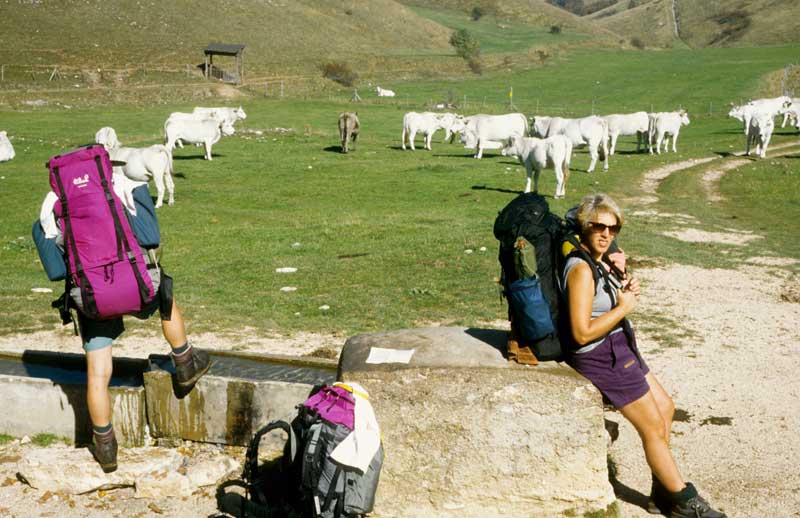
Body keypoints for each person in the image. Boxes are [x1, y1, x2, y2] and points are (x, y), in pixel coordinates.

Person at [561, 193, 725, 518]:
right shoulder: (580, 269)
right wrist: (622, 307)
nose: (607, 234)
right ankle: (683, 501)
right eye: (598, 226)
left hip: (619, 345)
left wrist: (620, 282)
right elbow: (580, 333)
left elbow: (603, 300)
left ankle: (661, 494)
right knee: (651, 426)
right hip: (599, 355)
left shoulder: (596, 258)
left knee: (665, 408)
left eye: (613, 228)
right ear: (584, 226)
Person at [36, 178, 212, 474]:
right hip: (134, 285)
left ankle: (106, 449)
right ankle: (184, 361)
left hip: (93, 298)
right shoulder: (120, 184)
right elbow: (150, 236)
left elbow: (55, 270)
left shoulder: (52, 201)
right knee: (165, 294)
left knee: (98, 373)